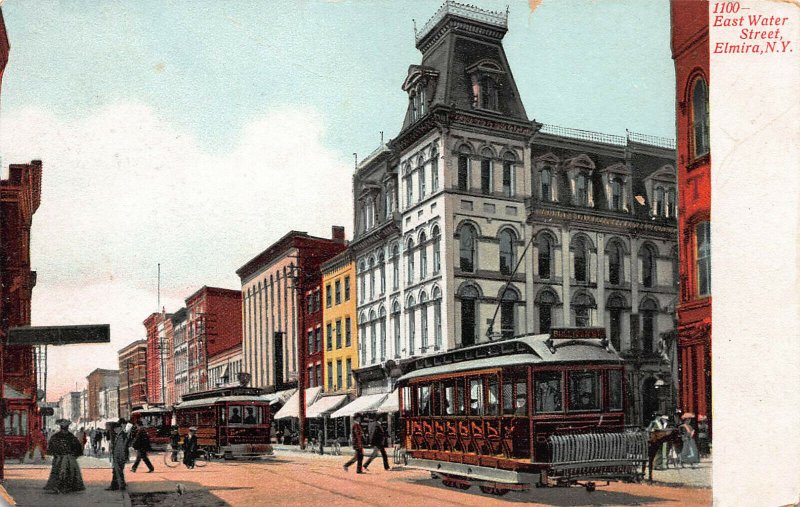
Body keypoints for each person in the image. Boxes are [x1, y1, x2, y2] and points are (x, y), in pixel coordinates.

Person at [44, 419, 85, 494]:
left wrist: (56, 454)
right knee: (68, 472)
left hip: (61, 458)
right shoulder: (70, 437)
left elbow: (51, 448)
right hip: (66, 458)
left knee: (59, 472)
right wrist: (73, 455)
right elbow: (78, 448)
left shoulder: (56, 437)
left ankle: (60, 486)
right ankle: (66, 486)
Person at [107, 421, 130, 491]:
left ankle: (121, 486)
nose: (114, 430)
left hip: (119, 457)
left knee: (119, 472)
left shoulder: (122, 436)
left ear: (119, 428)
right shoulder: (119, 435)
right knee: (117, 471)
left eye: (116, 429)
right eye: (114, 429)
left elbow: (122, 448)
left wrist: (120, 457)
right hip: (118, 456)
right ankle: (116, 486)